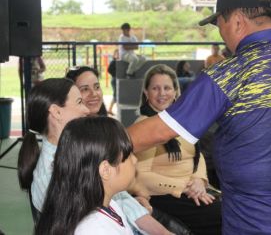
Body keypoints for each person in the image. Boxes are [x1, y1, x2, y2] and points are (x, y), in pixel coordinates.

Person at [127, 0, 271, 234]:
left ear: (236, 21)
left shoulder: (230, 73)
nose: (221, 35)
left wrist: (91, 142)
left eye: (219, 25)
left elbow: (157, 131)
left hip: (255, 224)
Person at [17, 78, 171, 235]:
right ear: (56, 112)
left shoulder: (78, 153)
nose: (86, 110)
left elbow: (119, 200)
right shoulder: (53, 174)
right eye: (79, 102)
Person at [129, 64, 222, 235]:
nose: (162, 93)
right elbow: (140, 176)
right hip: (164, 195)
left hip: (191, 189)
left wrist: (199, 180)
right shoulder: (145, 125)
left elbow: (197, 155)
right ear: (146, 93)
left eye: (167, 88)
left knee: (236, 207)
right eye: (155, 88)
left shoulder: (179, 122)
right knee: (223, 216)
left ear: (175, 92)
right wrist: (184, 187)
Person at [35, 116, 136, 235]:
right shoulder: (94, 229)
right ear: (106, 170)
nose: (135, 160)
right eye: (129, 155)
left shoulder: (108, 204)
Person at [108, 49, 119, 115]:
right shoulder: (113, 62)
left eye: (119, 54)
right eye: (117, 54)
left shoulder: (119, 62)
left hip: (116, 79)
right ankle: (110, 109)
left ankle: (110, 109)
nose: (118, 55)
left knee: (116, 95)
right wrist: (115, 74)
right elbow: (109, 70)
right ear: (114, 55)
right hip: (114, 80)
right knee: (115, 95)